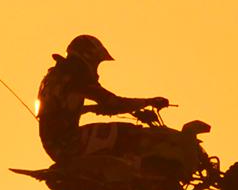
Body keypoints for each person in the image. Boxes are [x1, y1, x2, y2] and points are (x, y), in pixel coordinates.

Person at [36, 34, 168, 164]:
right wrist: (148, 102)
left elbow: (61, 108)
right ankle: (134, 168)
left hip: (55, 145)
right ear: (87, 57)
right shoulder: (77, 76)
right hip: (70, 143)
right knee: (128, 132)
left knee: (110, 135)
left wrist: (90, 109)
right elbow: (114, 103)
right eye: (96, 63)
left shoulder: (55, 76)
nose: (96, 69)